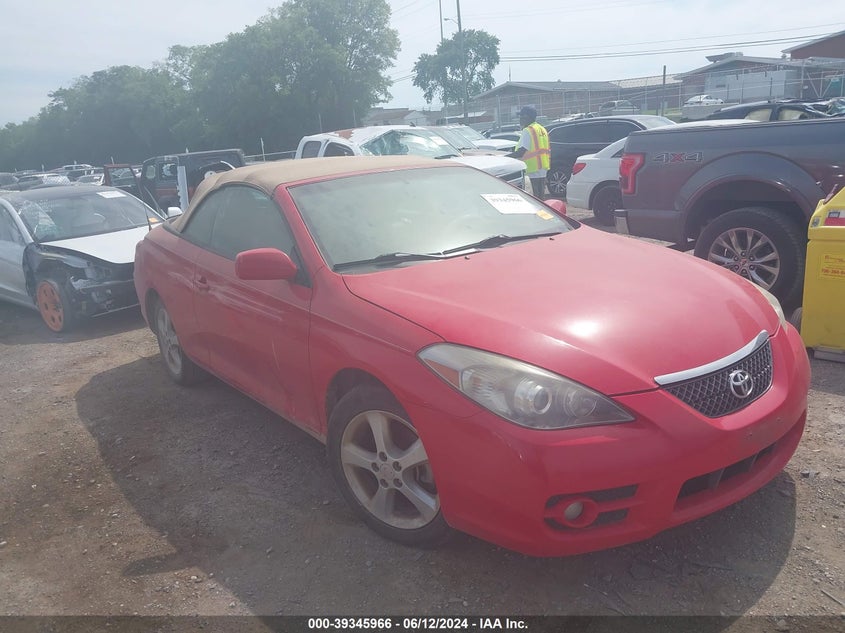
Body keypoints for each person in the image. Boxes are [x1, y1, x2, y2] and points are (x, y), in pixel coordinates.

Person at [507, 105, 550, 198]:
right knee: (540, 198)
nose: (519, 119)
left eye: (521, 116)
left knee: (533, 198)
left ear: (526, 117)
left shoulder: (528, 130)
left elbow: (521, 152)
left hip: (532, 168)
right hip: (542, 167)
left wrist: (505, 158)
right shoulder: (542, 129)